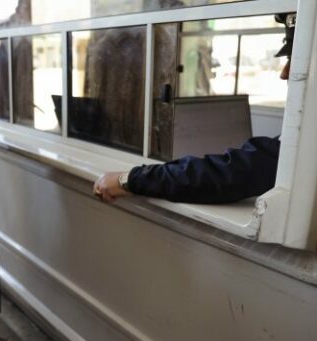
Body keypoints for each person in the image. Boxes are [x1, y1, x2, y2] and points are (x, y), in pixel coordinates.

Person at [94, 13, 296, 205]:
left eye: (292, 60)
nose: (284, 73)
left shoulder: (302, 145)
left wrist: (129, 180)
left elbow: (233, 173)